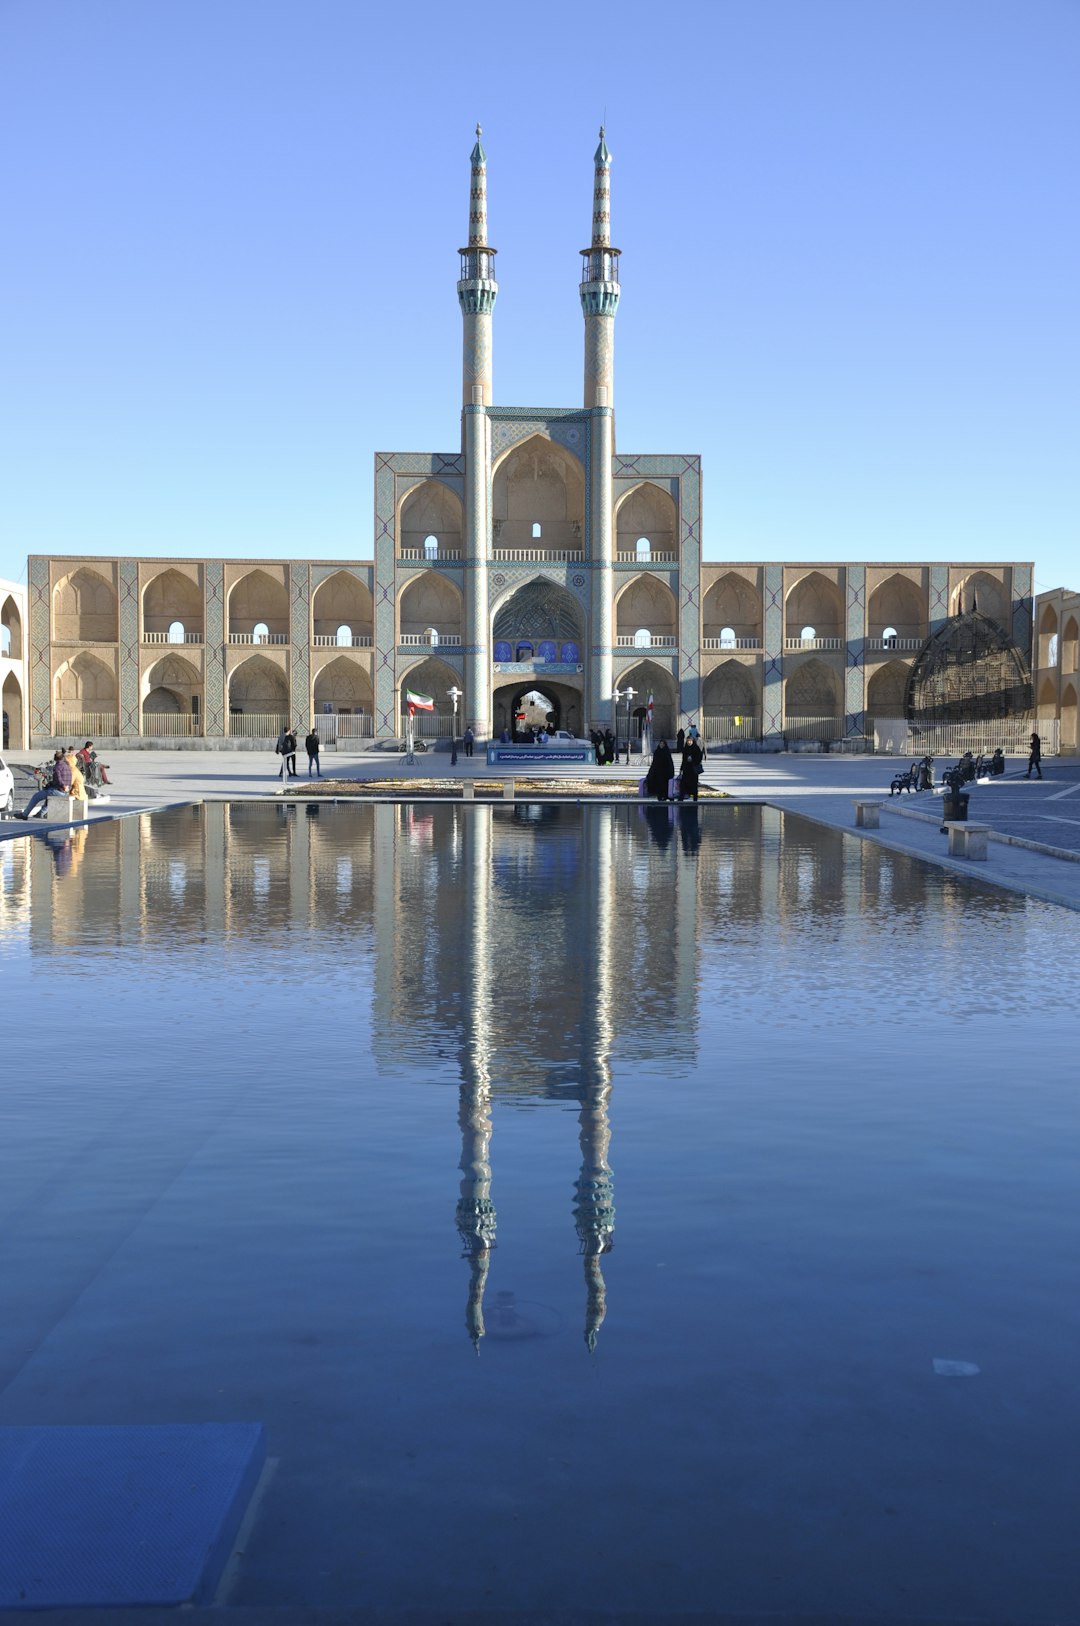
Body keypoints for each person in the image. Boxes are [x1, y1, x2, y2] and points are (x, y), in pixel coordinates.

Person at [19, 751, 65, 819]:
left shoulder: (58, 767)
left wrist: (52, 784)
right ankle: (41, 813)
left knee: (36, 797)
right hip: (65, 791)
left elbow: (58, 780)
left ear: (55, 759)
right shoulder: (67, 767)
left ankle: (25, 815)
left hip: (59, 790)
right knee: (49, 795)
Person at [681, 734, 705, 802]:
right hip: (686, 769)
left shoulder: (696, 748)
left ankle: (695, 798)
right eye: (688, 741)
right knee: (683, 784)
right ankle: (681, 797)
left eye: (690, 741)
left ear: (693, 741)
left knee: (694, 785)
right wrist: (681, 768)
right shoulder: (685, 748)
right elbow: (683, 759)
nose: (689, 742)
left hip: (693, 770)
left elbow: (699, 757)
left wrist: (692, 759)